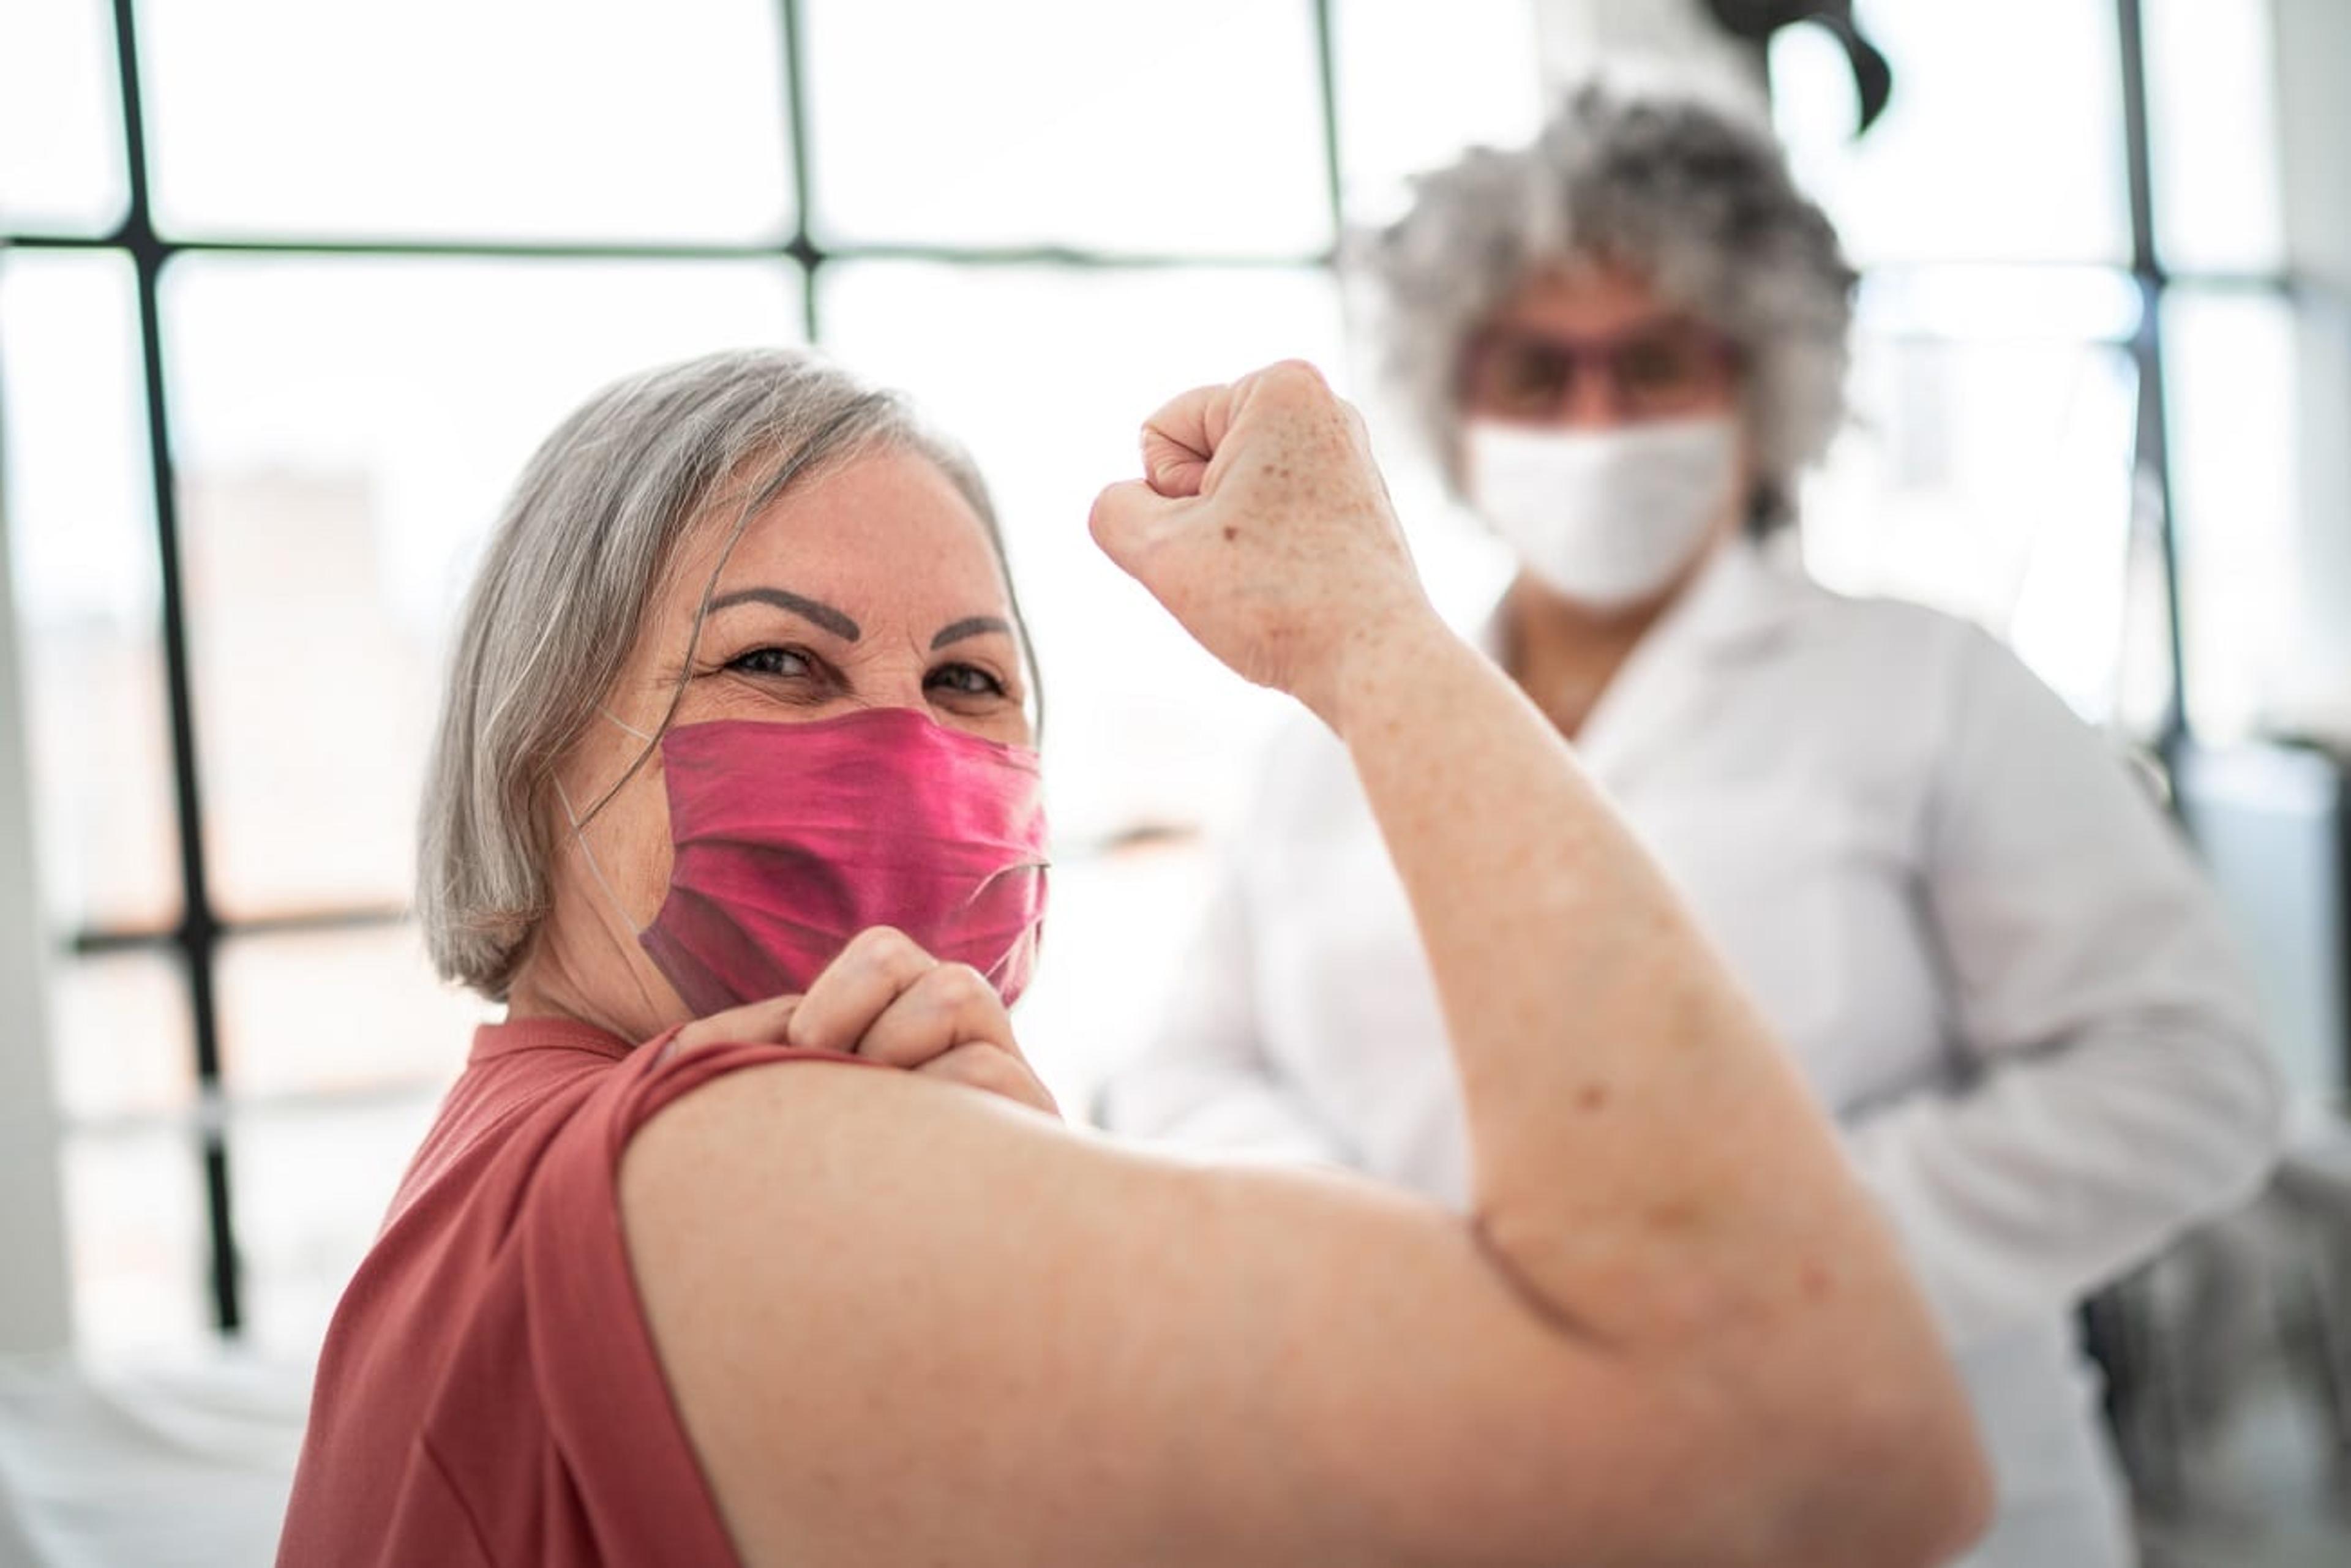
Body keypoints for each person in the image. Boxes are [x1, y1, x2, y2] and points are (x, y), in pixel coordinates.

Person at [277, 346, 1990, 1566]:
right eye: (781, 666)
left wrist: (994, 1180)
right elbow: (1809, 1444)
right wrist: (1369, 631)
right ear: (532, 743)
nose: (900, 747)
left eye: (968, 684)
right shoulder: (710, 1161)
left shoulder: (524, 1162)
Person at [1098, 85, 2284, 1568]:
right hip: (1456, 1477)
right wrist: (1399, 1273)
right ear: (1451, 405)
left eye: (1653, 365)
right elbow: (1185, 1072)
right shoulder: (1320, 739)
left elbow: (2188, 1075)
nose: (1594, 421)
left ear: (1760, 390)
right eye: (1537, 373)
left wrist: (1756, 1261)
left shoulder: (1930, 689)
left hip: (1907, 1507)